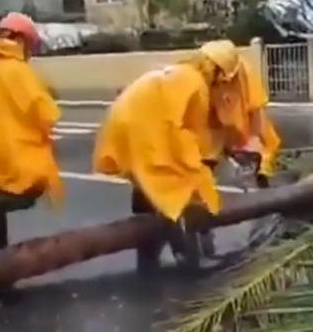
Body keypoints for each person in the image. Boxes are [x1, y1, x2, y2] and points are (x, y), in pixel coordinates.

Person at [92, 41, 225, 270]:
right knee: (176, 188)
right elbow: (196, 133)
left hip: (122, 123)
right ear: (216, 70)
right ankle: (187, 255)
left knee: (146, 186)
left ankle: (146, 254)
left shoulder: (179, 73)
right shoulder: (197, 85)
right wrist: (201, 161)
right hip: (145, 131)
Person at [0, 12, 64, 251]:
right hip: (11, 155)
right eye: (30, 47)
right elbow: (46, 114)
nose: (29, 55)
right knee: (32, 187)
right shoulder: (16, 71)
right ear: (22, 41)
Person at [205, 41, 281, 188]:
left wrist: (254, 138)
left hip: (248, 136)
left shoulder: (243, 72)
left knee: (260, 161)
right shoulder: (206, 79)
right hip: (227, 138)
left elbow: (256, 110)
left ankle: (261, 186)